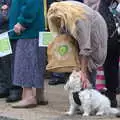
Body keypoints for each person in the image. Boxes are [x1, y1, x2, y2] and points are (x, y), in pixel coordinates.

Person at [47, 1, 108, 88]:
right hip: (82, 24)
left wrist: (83, 72)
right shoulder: (59, 9)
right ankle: (82, 90)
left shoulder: (79, 20)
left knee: (88, 69)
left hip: (95, 32)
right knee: (80, 66)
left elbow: (86, 48)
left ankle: (90, 92)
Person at [9, 0, 47, 108]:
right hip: (35, 28)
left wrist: (22, 21)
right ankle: (39, 94)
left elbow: (31, 3)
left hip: (28, 30)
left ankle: (28, 96)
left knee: (25, 62)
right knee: (37, 61)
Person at [99, 0, 120, 107]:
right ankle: (111, 96)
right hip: (111, 36)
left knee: (111, 65)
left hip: (111, 35)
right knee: (111, 65)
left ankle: (111, 96)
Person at [0, 0, 22, 102]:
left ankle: (15, 88)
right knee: (3, 59)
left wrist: (6, 11)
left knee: (13, 60)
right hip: (3, 28)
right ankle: (5, 86)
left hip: (13, 28)